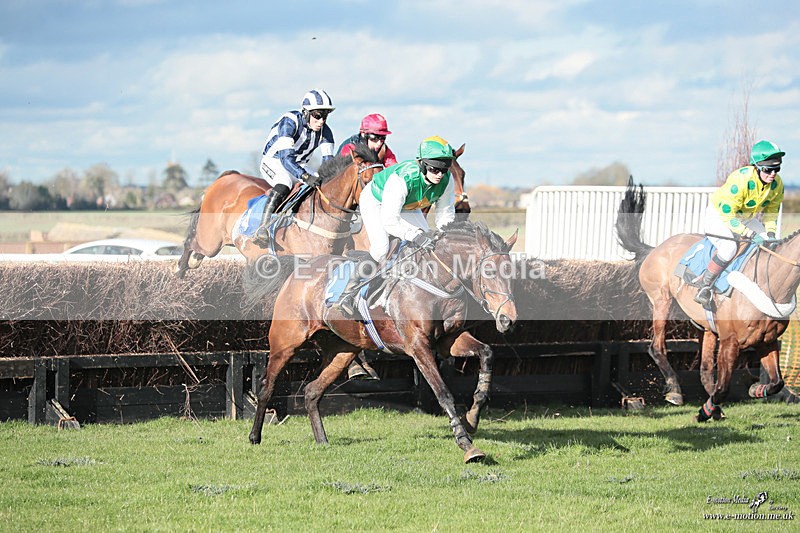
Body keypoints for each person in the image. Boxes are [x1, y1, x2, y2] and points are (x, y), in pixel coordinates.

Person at [333, 136, 457, 316]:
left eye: (444, 169)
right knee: (381, 249)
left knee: (429, 243)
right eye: (434, 169)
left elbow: (445, 213)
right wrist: (415, 235)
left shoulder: (447, 179)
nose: (440, 174)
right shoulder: (402, 179)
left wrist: (446, 235)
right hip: (375, 200)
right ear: (422, 164)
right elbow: (390, 221)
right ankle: (348, 292)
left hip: (407, 204)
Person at [694, 139, 785, 306]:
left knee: (769, 244)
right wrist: (749, 234)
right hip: (720, 215)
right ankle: (704, 286)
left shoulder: (777, 185)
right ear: (756, 167)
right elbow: (728, 216)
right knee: (729, 248)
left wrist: (771, 234)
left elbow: (771, 213)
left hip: (745, 218)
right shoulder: (740, 180)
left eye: (776, 169)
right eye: (768, 169)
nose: (773, 174)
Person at [253, 89, 336, 246]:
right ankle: (262, 228)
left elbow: (328, 163)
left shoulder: (326, 132)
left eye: (325, 116)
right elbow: (286, 158)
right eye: (317, 115)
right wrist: (304, 176)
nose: (321, 121)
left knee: (322, 184)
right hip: (274, 161)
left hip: (299, 164)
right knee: (284, 182)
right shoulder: (290, 122)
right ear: (306, 113)